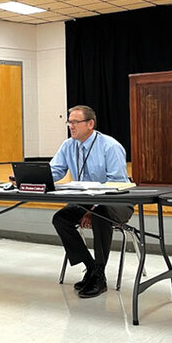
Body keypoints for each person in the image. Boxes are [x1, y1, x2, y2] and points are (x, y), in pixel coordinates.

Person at [50, 105, 134, 298]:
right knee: (60, 219)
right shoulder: (68, 145)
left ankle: (99, 277)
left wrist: (93, 209)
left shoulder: (110, 146)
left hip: (119, 200)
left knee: (100, 215)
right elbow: (54, 171)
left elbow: (116, 186)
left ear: (90, 124)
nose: (71, 126)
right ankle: (92, 268)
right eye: (69, 122)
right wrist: (30, 179)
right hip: (85, 200)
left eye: (75, 122)